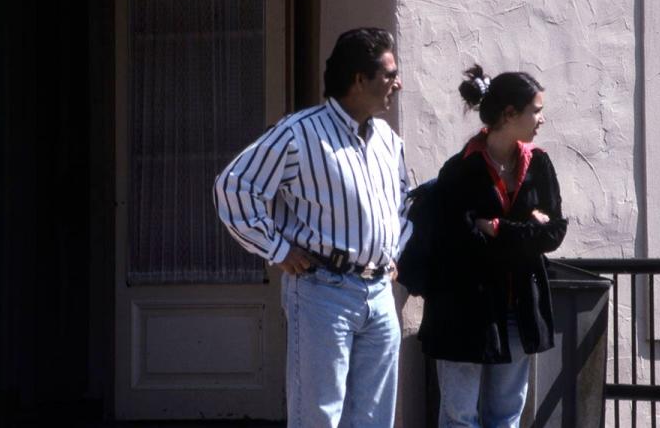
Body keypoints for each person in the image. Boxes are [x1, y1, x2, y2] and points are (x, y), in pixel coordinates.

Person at [213, 28, 410, 427]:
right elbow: (235, 186)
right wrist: (277, 249)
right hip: (324, 290)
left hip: (379, 293)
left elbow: (406, 199)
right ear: (359, 79)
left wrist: (395, 249)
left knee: (374, 419)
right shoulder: (300, 133)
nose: (397, 83)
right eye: (389, 74)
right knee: (318, 415)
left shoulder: (387, 138)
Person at [419, 65, 567, 427]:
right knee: (459, 416)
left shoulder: (539, 163)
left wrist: (498, 229)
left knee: (506, 416)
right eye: (536, 110)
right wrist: (526, 231)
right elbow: (461, 243)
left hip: (518, 308)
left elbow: (555, 233)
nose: (542, 119)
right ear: (509, 114)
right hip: (463, 309)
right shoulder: (460, 170)